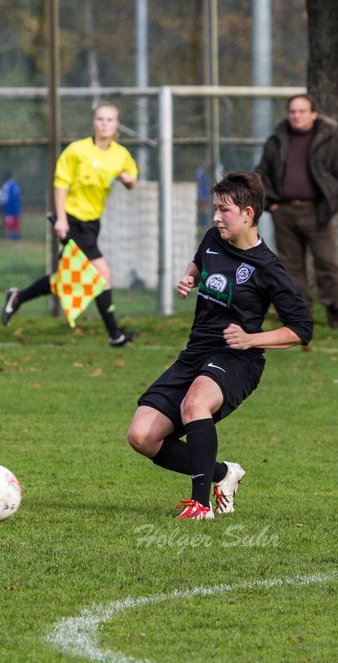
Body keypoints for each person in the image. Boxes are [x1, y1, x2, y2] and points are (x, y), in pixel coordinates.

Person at [126, 171, 313, 520]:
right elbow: (200, 262)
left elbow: (301, 330)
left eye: (224, 210)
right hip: (196, 352)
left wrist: (251, 339)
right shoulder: (214, 238)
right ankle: (223, 474)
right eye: (215, 208)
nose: (215, 217)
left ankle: (201, 506)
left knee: (195, 402)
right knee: (141, 437)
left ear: (247, 214)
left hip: (237, 358)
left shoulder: (268, 268)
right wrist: (188, 279)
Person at [0, 102, 138, 346]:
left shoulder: (120, 155)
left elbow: (131, 177)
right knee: (102, 274)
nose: (104, 123)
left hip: (92, 224)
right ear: (93, 122)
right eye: (100, 119)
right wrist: (61, 218)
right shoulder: (77, 151)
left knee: (66, 279)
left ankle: (18, 297)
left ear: (117, 125)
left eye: (109, 120)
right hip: (72, 220)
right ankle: (114, 334)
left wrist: (128, 180)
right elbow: (60, 183)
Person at [255, 93, 338, 329]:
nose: (297, 116)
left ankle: (336, 312)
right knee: (290, 268)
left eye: (302, 111)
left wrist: (330, 204)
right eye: (293, 111)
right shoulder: (276, 141)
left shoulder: (329, 139)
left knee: (327, 264)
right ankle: (300, 316)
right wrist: (272, 204)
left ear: (313, 114)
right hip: (284, 213)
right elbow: (261, 173)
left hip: (317, 212)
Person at [0, 172, 22, 240]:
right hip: (16, 207)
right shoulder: (16, 184)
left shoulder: (7, 185)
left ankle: (12, 237)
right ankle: (16, 237)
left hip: (9, 209)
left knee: (10, 226)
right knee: (15, 225)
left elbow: (6, 199)